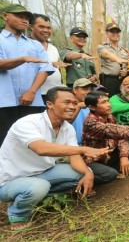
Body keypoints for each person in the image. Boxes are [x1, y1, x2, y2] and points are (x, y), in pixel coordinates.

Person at [0, 87, 111, 230]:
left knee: (83, 173)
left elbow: (74, 157)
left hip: (43, 173)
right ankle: (18, 213)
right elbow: (41, 149)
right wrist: (83, 149)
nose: (72, 106)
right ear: (49, 104)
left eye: (74, 103)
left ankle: (34, 197)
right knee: (39, 186)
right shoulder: (28, 123)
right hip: (10, 181)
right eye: (67, 102)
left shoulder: (67, 128)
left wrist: (88, 173)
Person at [0, 4, 55, 146]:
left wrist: (32, 91)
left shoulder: (35, 45)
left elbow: (45, 68)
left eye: (27, 18)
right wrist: (22, 59)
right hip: (4, 102)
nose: (24, 20)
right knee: (4, 141)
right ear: (5, 16)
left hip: (32, 101)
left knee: (32, 141)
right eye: (19, 16)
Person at [31, 13, 67, 102]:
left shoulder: (53, 48)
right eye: (41, 27)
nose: (46, 30)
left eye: (48, 28)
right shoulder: (26, 45)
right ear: (31, 27)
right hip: (36, 93)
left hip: (54, 93)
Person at [97, 23, 129, 97]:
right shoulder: (102, 47)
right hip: (109, 81)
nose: (115, 34)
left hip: (123, 81)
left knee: (123, 101)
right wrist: (118, 60)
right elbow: (107, 54)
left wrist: (127, 71)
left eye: (117, 32)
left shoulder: (124, 50)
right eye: (112, 32)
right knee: (110, 103)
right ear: (107, 34)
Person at [70, 78, 97, 146]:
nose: (88, 92)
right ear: (75, 90)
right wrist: (78, 107)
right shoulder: (68, 106)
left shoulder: (91, 107)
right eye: (85, 89)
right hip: (71, 148)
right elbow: (64, 123)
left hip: (89, 147)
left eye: (90, 89)